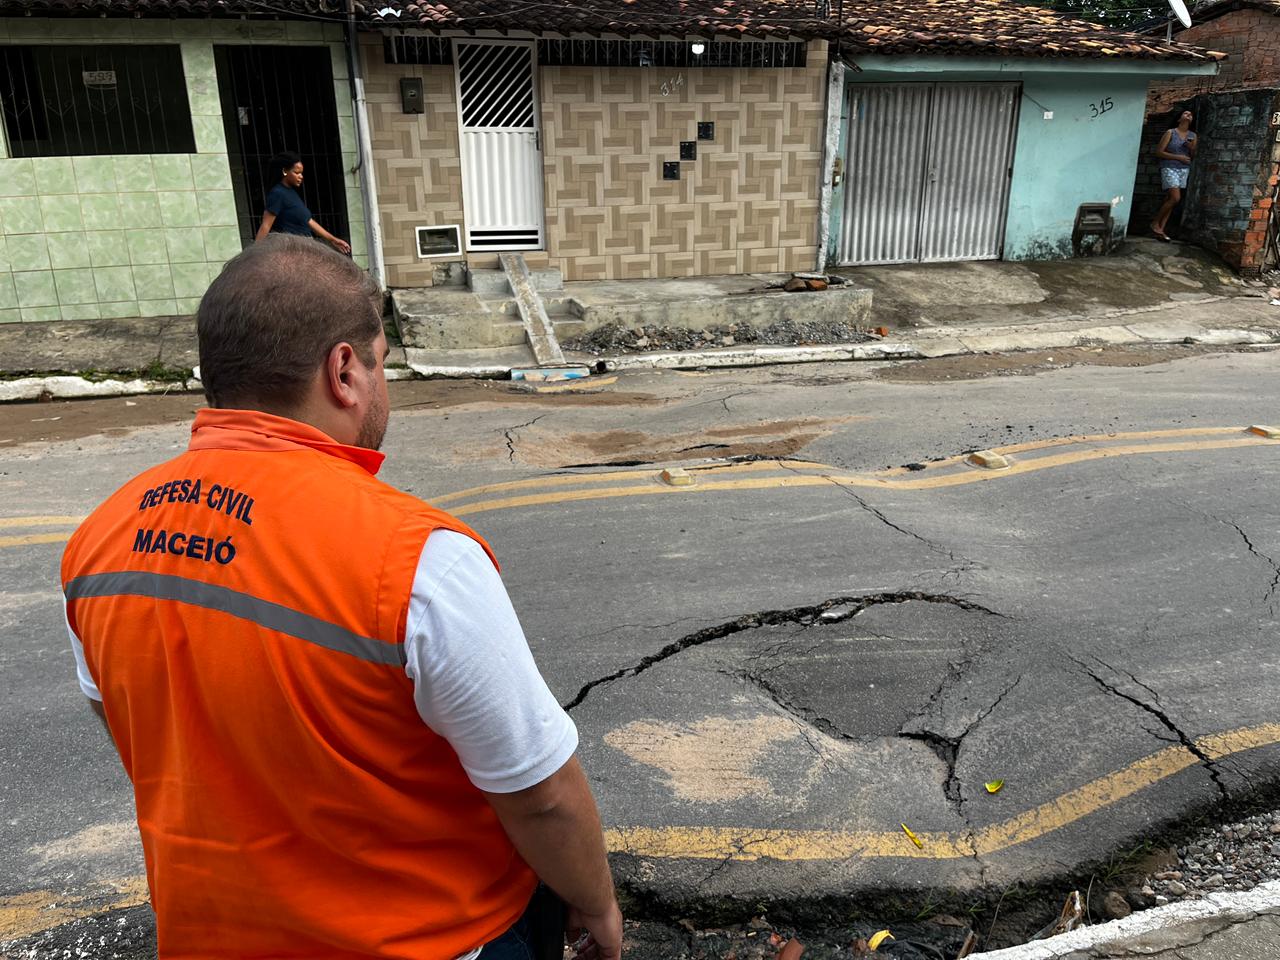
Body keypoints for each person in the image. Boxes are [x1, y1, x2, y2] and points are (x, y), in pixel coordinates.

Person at [60, 234, 622, 960]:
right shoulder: (417, 559)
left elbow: (139, 731)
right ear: (345, 371)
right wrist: (598, 902)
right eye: (382, 363)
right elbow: (538, 793)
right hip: (430, 940)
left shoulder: (98, 540)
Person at [255, 150, 352, 254]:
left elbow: (308, 221)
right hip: (292, 250)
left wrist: (333, 240)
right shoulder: (277, 193)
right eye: (297, 173)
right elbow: (266, 225)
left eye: (301, 173)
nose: (301, 176)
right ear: (285, 171)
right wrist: (254, 254)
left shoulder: (291, 192)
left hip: (305, 247)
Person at [1151, 109, 1198, 242]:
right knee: (1176, 198)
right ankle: (1155, 223)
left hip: (1183, 169)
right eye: (1186, 113)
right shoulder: (1170, 132)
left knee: (1169, 200)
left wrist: (1191, 148)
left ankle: (1161, 230)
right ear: (1179, 119)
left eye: (1191, 114)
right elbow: (1159, 152)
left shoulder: (1193, 136)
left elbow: (1193, 156)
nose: (1189, 115)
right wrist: (1178, 157)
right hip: (1169, 167)